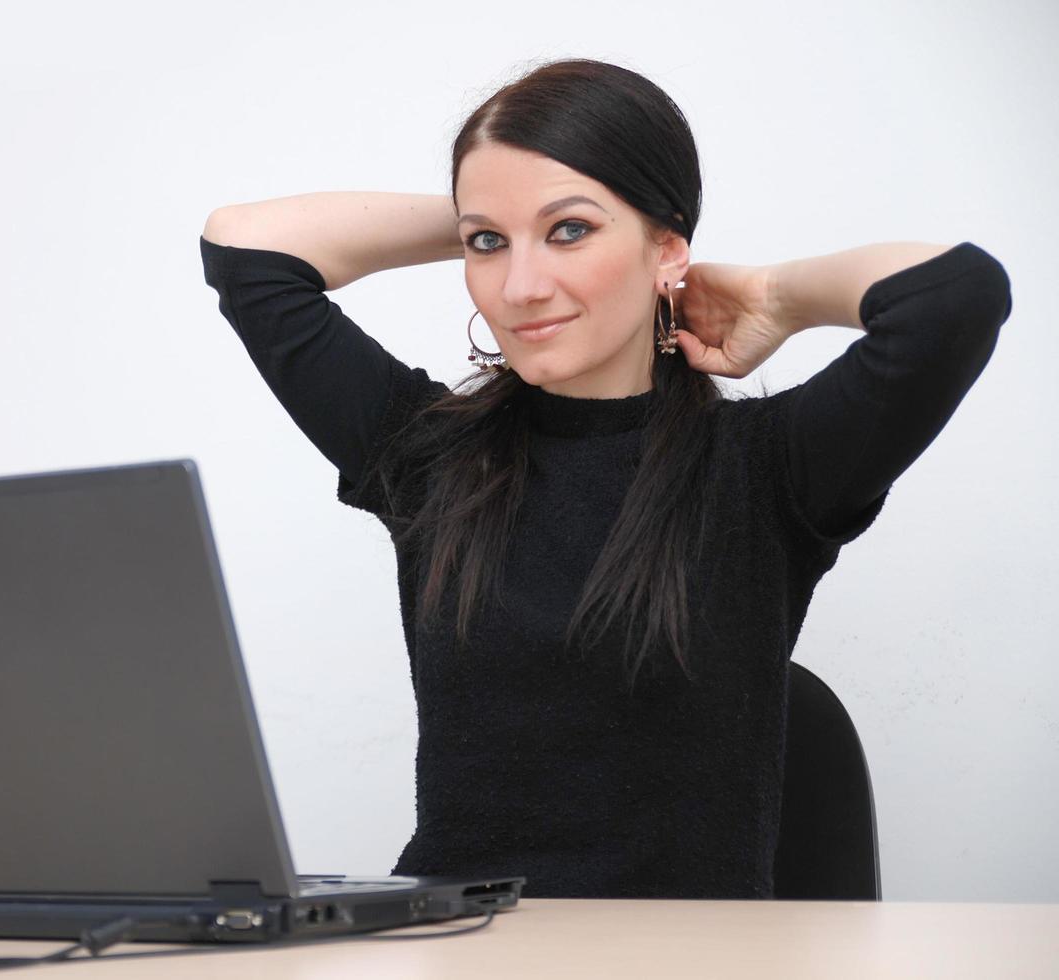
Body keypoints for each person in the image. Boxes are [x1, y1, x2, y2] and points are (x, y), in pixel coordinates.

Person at [197, 58, 1012, 900]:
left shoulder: (767, 468)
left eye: (570, 232)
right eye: (488, 245)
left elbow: (955, 296)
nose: (520, 286)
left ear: (667, 245)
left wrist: (777, 295)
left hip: (687, 960)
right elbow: (247, 249)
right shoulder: (429, 456)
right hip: (468, 950)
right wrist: (501, 202)